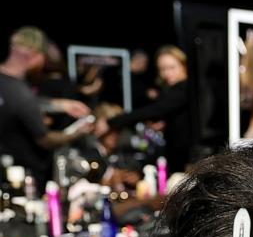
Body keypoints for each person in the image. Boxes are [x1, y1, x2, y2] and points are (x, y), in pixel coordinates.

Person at [0, 26, 92, 179]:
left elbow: (12, 103)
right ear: (35, 55)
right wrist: (76, 132)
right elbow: (45, 140)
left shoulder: (11, 88)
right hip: (15, 175)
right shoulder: (22, 94)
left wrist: (60, 105)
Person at [96, 45, 192, 172]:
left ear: (184, 65)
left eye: (172, 67)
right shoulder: (170, 90)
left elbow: (155, 109)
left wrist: (112, 122)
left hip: (189, 155)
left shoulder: (186, 88)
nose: (167, 73)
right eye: (162, 69)